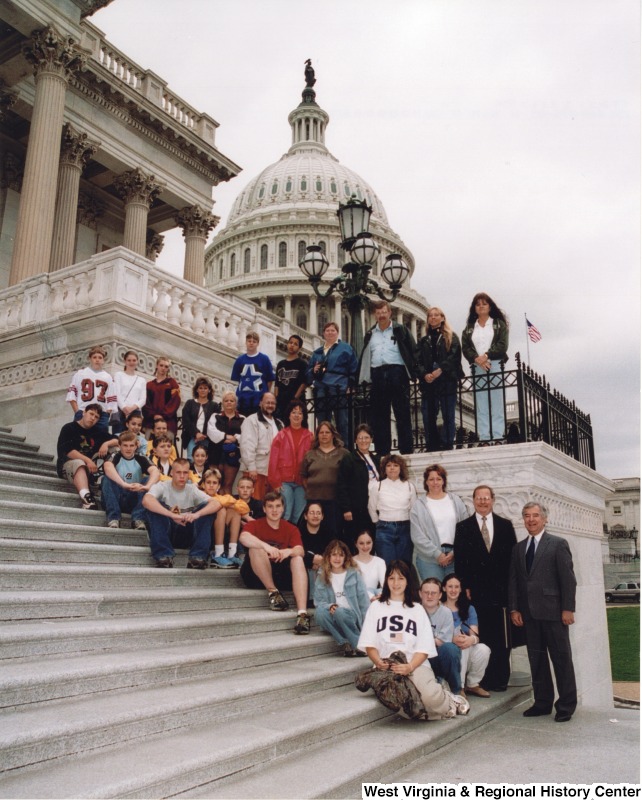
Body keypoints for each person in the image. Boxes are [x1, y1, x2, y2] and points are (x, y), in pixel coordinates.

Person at [357, 560, 469, 720]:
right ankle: (437, 711)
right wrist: (378, 662)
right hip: (388, 667)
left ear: (408, 581)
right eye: (391, 578)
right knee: (405, 705)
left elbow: (424, 648)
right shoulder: (376, 607)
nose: (396, 583)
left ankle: (448, 700)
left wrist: (410, 666)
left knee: (429, 698)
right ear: (386, 581)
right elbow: (369, 644)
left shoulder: (417, 610)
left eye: (401, 578)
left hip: (415, 664)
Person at [509, 502, 577, 722]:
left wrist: (567, 609)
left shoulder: (557, 544)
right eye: (527, 515)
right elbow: (514, 582)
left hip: (554, 613)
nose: (531, 519)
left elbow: (568, 580)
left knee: (561, 660)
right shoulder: (518, 548)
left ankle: (566, 706)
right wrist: (514, 608)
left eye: (536, 515)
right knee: (536, 661)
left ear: (545, 519)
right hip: (529, 615)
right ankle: (542, 703)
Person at [454, 484, 517, 692]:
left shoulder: (506, 526)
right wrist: (466, 587)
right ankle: (481, 680)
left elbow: (513, 561)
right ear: (473, 501)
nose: (483, 501)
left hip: (501, 592)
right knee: (484, 635)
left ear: (492, 500)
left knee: (502, 637)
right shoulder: (463, 527)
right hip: (477, 592)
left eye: (486, 497)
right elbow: (461, 561)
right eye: (479, 498)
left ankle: (499, 680)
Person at [239, 491, 310, 635]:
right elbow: (243, 537)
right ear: (264, 509)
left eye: (278, 506)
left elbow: (300, 550)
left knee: (297, 558)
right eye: (270, 506)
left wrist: (288, 552)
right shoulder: (256, 524)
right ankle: (273, 593)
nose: (274, 510)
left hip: (280, 574)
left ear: (283, 508)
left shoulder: (291, 528)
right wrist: (266, 547)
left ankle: (302, 615)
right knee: (256, 548)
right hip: (256, 575)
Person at [358, 300, 417, 456]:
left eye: (384, 312)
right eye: (378, 313)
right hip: (377, 374)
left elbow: (413, 351)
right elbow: (365, 355)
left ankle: (406, 450)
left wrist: (415, 372)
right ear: (374, 315)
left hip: (397, 373)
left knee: (402, 413)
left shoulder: (401, 330)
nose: (381, 315)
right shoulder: (370, 334)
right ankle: (383, 451)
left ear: (390, 313)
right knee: (379, 416)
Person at [142, 457, 222, 569]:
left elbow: (216, 504)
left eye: (185, 472)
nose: (182, 476)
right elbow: (146, 500)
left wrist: (196, 515)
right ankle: (163, 556)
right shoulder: (162, 486)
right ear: (171, 472)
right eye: (178, 472)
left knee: (206, 509)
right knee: (155, 506)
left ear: (189, 474)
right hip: (167, 532)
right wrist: (172, 515)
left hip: (186, 533)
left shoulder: (192, 489)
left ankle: (197, 557)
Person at [461, 292, 509, 444]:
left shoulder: (498, 324)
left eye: (484, 303)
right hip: (477, 366)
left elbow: (502, 345)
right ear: (474, 308)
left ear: (490, 306)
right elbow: (466, 347)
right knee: (481, 403)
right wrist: (477, 359)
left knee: (496, 401)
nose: (481, 306)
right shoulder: (469, 328)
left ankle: (498, 436)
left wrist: (486, 356)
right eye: (478, 304)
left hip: (494, 364)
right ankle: (484, 437)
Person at [415, 307, 464, 452]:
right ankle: (432, 444)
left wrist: (440, 370)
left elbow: (454, 357)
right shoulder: (423, 341)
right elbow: (417, 362)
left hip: (447, 380)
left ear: (442, 318)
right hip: (429, 383)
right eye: (430, 315)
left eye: (436, 315)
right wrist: (425, 374)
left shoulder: (451, 337)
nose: (433, 318)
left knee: (448, 414)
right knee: (428, 415)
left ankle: (447, 443)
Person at [410, 464, 467, 581]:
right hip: (429, 560)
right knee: (433, 594)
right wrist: (437, 554)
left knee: (454, 596)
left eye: (438, 479)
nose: (435, 482)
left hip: (454, 557)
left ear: (443, 481)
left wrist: (454, 552)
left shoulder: (455, 500)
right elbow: (417, 536)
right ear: (426, 482)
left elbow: (466, 529)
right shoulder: (418, 505)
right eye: (431, 479)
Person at [313, 540, 370, 657]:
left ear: (346, 557)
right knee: (319, 613)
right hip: (333, 615)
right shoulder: (322, 575)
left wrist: (366, 629)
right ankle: (345, 642)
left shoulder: (354, 575)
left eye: (341, 555)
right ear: (328, 557)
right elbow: (319, 602)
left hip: (351, 615)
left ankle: (358, 645)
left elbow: (364, 603)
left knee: (340, 612)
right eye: (334, 554)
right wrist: (330, 606)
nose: (337, 558)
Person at [56, 403, 118, 510]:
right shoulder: (69, 428)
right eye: (91, 414)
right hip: (68, 465)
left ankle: (107, 483)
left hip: (90, 467)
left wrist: (106, 444)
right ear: (84, 412)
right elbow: (68, 451)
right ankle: (86, 498)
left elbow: (119, 440)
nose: (93, 418)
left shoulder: (97, 432)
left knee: (115, 449)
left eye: (96, 417)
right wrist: (87, 460)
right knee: (79, 463)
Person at [306, 321, 358, 444]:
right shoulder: (317, 352)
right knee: (323, 422)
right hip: (321, 389)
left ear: (337, 333)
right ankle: (324, 447)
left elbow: (354, 368)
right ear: (323, 333)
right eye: (327, 330)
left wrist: (351, 386)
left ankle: (346, 449)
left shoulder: (346, 348)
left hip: (339, 387)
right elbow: (308, 373)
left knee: (343, 422)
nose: (330, 333)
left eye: (332, 330)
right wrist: (313, 370)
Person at [442, 573, 491, 698]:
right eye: (450, 586)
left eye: (456, 587)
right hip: (447, 653)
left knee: (484, 649)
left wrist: (471, 639)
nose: (453, 590)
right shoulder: (439, 609)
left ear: (460, 589)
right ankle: (459, 686)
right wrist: (454, 640)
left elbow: (475, 635)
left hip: (465, 649)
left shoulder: (469, 608)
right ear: (444, 588)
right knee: (462, 646)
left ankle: (472, 684)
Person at [101, 431, 160, 529]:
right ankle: (113, 518)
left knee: (149, 480)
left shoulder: (141, 457)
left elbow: (155, 472)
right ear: (119, 445)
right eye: (125, 445)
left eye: (131, 445)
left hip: (132, 498)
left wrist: (147, 487)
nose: (128, 448)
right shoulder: (115, 456)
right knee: (106, 478)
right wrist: (123, 484)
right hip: (116, 497)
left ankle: (138, 519)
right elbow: (107, 467)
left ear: (136, 446)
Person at [300, 421, 350, 535]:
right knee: (315, 533)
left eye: (327, 432)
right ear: (317, 435)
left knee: (334, 532)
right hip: (314, 501)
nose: (324, 435)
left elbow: (348, 478)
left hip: (335, 502)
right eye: (321, 432)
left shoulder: (344, 454)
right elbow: (303, 476)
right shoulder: (310, 454)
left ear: (333, 434)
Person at [267, 399, 313, 524]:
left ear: (304, 416)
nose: (297, 415)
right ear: (289, 415)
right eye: (294, 412)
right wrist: (275, 482)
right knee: (286, 513)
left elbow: (313, 462)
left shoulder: (310, 436)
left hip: (302, 482)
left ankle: (294, 541)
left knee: (298, 515)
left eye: (300, 413)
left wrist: (309, 481)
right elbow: (273, 461)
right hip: (284, 482)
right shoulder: (281, 435)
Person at [368, 454, 417, 567]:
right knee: (387, 565)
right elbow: (371, 507)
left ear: (401, 468)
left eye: (395, 465)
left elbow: (414, 510)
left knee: (404, 566)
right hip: (384, 530)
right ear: (384, 469)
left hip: (405, 529)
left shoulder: (409, 486)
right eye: (389, 465)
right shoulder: (378, 486)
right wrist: (378, 522)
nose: (392, 468)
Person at [337, 423, 379, 546]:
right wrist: (346, 509)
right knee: (357, 539)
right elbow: (342, 484)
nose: (363, 441)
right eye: (360, 438)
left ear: (371, 439)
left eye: (366, 437)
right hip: (357, 509)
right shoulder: (349, 459)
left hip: (374, 507)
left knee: (372, 539)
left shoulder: (376, 459)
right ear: (355, 440)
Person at [419, 578, 463, 696]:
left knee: (450, 649)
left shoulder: (446, 612)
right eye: (426, 592)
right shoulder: (414, 611)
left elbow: (442, 642)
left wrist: (426, 640)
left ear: (439, 595)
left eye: (433, 593)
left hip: (438, 655)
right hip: (420, 657)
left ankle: (456, 690)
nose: (429, 596)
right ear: (420, 593)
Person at [199, 468, 249, 568]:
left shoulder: (221, 497)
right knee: (220, 509)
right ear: (203, 484)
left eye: (214, 483)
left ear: (219, 486)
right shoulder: (199, 495)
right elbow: (214, 502)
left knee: (235, 511)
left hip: (217, 531)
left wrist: (230, 504)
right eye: (208, 482)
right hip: (201, 532)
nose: (211, 485)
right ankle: (218, 554)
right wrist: (228, 502)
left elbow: (244, 507)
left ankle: (232, 554)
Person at [239, 392, 283, 500]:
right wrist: (251, 467)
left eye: (273, 403)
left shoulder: (280, 424)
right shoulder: (252, 420)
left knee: (270, 504)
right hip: (256, 470)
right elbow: (247, 445)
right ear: (260, 403)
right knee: (254, 503)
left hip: (273, 472)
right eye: (267, 402)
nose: (270, 405)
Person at [66, 345, 117, 433]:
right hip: (83, 411)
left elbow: (111, 398)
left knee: (100, 440)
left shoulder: (108, 377)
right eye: (94, 357)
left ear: (103, 360)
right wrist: (77, 411)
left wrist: (107, 413)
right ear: (90, 359)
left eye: (100, 357)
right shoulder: (80, 374)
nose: (97, 360)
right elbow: (72, 395)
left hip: (101, 414)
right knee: (79, 438)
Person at [206, 391, 245, 494]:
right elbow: (211, 431)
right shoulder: (215, 416)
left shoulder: (242, 419)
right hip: (215, 453)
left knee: (227, 485)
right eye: (226, 400)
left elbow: (246, 435)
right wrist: (225, 436)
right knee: (214, 484)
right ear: (222, 402)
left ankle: (227, 509)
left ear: (235, 403)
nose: (229, 402)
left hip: (233, 455)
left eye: (231, 401)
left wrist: (235, 438)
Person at [231, 331, 275, 417]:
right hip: (242, 400)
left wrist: (265, 395)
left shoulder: (264, 359)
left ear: (258, 343)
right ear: (246, 342)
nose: (251, 343)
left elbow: (270, 380)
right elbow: (236, 381)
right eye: (249, 341)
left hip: (258, 399)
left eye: (254, 341)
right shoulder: (240, 359)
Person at [298, 501, 334, 598]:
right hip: (305, 570)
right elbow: (297, 552)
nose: (315, 516)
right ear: (305, 516)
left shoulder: (329, 533)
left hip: (323, 568)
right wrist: (311, 561)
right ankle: (311, 598)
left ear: (322, 516)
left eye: (318, 513)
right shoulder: (298, 532)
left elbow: (333, 553)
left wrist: (320, 561)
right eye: (312, 513)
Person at [181, 377, 220, 460]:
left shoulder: (214, 406)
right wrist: (196, 433)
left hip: (207, 438)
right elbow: (186, 420)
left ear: (209, 390)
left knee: (204, 461)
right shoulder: (190, 403)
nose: (203, 390)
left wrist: (203, 435)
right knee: (191, 459)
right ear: (197, 390)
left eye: (205, 388)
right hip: (192, 437)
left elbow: (216, 423)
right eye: (200, 388)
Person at [143, 357, 181, 437]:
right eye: (161, 365)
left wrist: (163, 415)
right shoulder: (149, 385)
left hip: (168, 424)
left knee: (166, 448)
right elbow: (145, 403)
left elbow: (175, 401)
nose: (163, 368)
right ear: (157, 366)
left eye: (166, 366)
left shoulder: (172, 383)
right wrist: (154, 415)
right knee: (149, 447)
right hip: (151, 423)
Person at [274, 335, 307, 423]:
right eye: (290, 343)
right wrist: (276, 398)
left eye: (295, 344)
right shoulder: (280, 364)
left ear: (299, 348)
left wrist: (295, 398)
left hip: (294, 402)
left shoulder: (302, 364)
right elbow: (277, 384)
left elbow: (303, 383)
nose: (292, 345)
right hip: (281, 402)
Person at [113, 350, 147, 434]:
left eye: (134, 360)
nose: (131, 362)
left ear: (137, 361)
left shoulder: (141, 380)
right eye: (129, 360)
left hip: (135, 412)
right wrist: (124, 408)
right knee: (118, 437)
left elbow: (143, 399)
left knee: (133, 438)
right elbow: (116, 393)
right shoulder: (119, 375)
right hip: (120, 410)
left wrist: (131, 409)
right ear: (125, 361)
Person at [353, 529, 386, 601]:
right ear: (356, 544)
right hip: (357, 599)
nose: (365, 546)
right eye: (361, 543)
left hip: (375, 598)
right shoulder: (350, 562)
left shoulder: (380, 562)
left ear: (372, 543)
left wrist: (379, 596)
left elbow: (385, 584)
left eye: (368, 543)